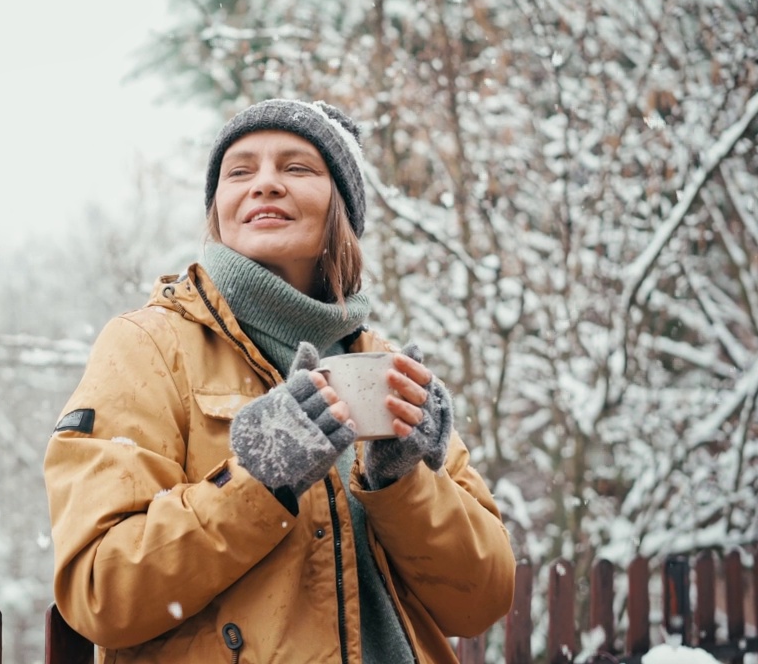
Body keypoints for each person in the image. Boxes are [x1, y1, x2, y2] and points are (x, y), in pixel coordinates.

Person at [43, 99, 515, 663]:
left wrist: (404, 482)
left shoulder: (385, 368)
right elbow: (101, 590)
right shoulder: (149, 346)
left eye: (296, 168)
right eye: (239, 171)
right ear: (218, 208)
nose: (264, 184)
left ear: (341, 206)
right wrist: (259, 482)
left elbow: (482, 600)